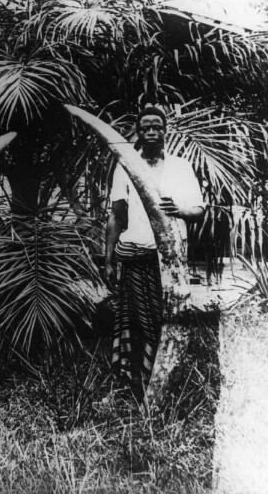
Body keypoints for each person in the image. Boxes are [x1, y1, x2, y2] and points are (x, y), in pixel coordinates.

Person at [104, 107, 205, 393]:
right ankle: (129, 383)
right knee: (133, 322)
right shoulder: (124, 166)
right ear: (137, 131)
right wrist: (108, 259)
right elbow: (116, 215)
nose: (151, 132)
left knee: (161, 321)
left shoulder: (181, 167)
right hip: (134, 256)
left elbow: (199, 210)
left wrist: (180, 210)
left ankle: (161, 382)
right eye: (145, 127)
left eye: (157, 127)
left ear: (165, 131)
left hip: (168, 262)